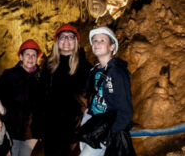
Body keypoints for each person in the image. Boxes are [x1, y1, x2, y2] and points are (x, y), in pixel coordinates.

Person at [79, 27, 135, 156]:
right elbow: (93, 93)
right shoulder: (94, 70)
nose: (97, 43)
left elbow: (126, 111)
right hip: (91, 121)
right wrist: (89, 109)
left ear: (112, 47)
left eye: (102, 40)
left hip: (105, 128)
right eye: (94, 40)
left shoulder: (117, 72)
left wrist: (110, 132)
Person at [41, 24, 92, 156]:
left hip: (73, 126)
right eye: (63, 37)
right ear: (57, 42)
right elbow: (41, 95)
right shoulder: (49, 66)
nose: (67, 41)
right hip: (50, 126)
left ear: (75, 42)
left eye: (70, 37)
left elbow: (92, 94)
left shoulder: (85, 66)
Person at [0, 39, 44, 156]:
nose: (30, 58)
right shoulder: (8, 75)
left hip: (32, 133)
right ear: (21, 57)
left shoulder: (42, 78)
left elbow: (45, 105)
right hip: (11, 130)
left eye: (34, 55)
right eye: (27, 54)